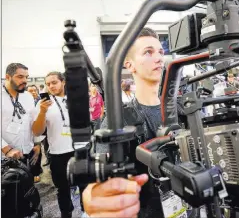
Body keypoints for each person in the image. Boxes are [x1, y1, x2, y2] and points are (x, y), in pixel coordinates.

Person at [86, 28, 167, 218]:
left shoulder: (180, 110)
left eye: (161, 52)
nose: (159, 58)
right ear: (129, 65)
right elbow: (99, 182)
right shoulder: (119, 120)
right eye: (148, 52)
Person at [32, 71, 87, 218]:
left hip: (80, 150)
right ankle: (66, 213)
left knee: (84, 186)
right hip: (58, 153)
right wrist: (43, 112)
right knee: (62, 189)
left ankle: (86, 212)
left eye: (54, 82)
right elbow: (37, 131)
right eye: (48, 84)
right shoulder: (43, 104)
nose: (51, 86)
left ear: (63, 82)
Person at [1, 63, 42, 182]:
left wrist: (37, 143)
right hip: (6, 158)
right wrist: (6, 149)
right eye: (20, 77)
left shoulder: (28, 96)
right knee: (9, 195)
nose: (24, 81)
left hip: (27, 153)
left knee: (26, 189)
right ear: (8, 77)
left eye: (26, 77)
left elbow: (32, 121)